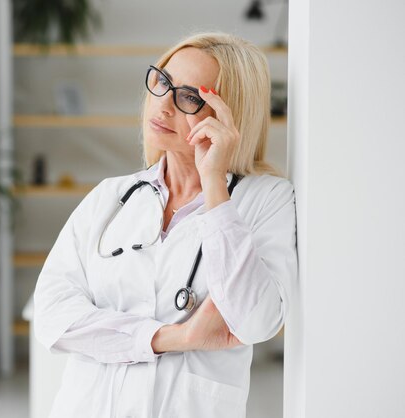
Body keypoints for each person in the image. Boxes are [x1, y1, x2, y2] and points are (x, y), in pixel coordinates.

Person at [33, 32, 297, 418]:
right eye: (163, 81)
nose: (164, 104)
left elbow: (256, 321)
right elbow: (53, 316)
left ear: (229, 115)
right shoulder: (110, 198)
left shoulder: (265, 200)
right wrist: (175, 337)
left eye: (189, 97)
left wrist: (214, 187)